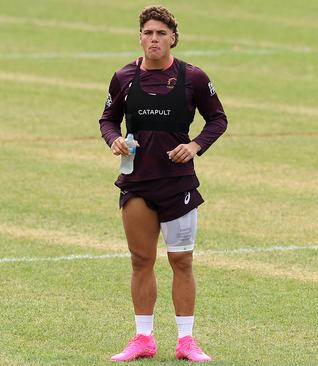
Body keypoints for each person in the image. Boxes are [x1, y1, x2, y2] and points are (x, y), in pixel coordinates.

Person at [98, 5, 227, 363]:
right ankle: (143, 338)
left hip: (178, 184)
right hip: (137, 182)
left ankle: (186, 341)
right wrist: (114, 140)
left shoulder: (193, 77)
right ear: (140, 37)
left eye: (161, 34)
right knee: (141, 260)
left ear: (173, 38)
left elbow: (218, 118)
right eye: (148, 33)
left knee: (181, 260)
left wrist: (195, 145)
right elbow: (107, 118)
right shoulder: (123, 77)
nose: (154, 39)